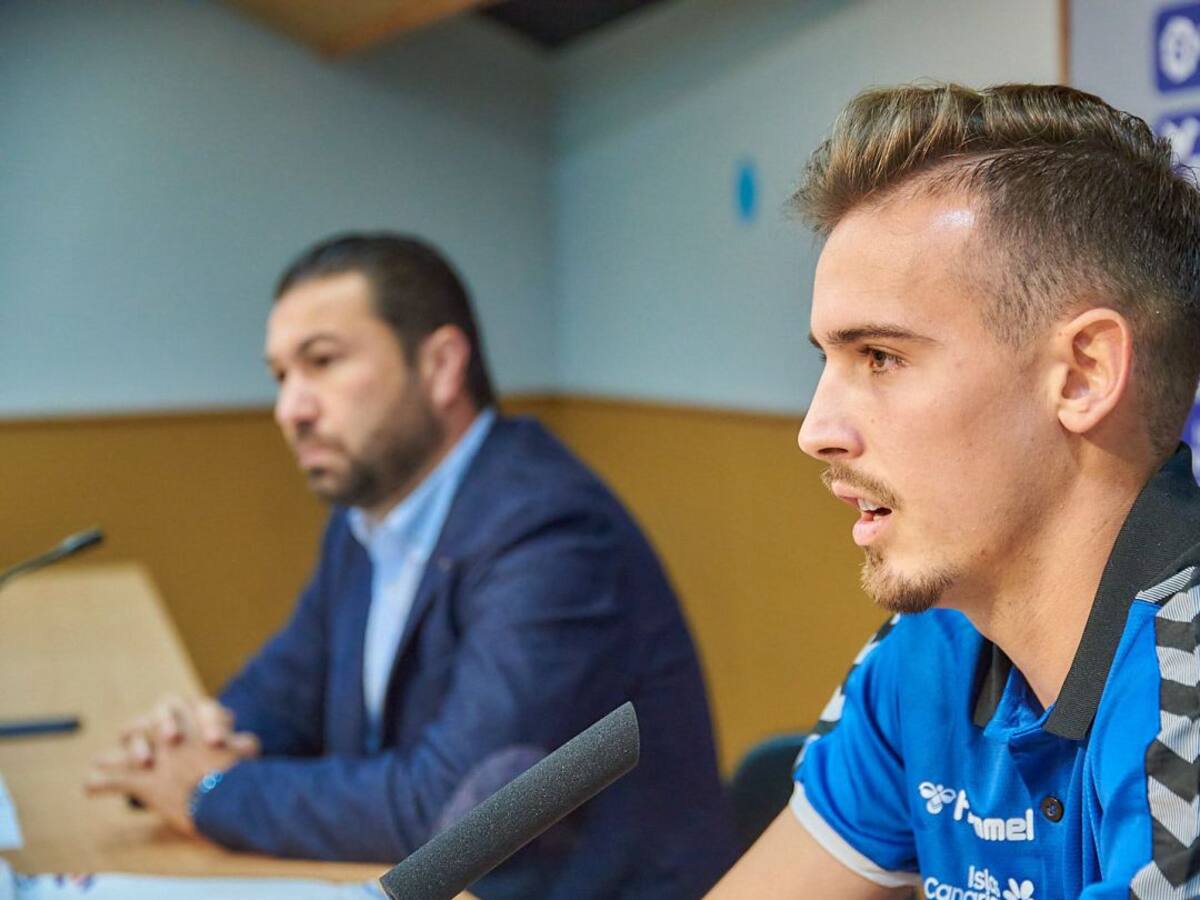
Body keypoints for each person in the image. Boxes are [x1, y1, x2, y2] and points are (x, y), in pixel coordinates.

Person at [85, 234, 734, 898]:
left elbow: (456, 808)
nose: (290, 410)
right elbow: (285, 691)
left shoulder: (550, 531)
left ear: (441, 366)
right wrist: (191, 739)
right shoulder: (367, 516)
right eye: (281, 376)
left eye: (322, 362)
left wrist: (210, 791)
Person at [709, 83, 1200, 898]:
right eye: (828, 361)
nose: (815, 430)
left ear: (1084, 374)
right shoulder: (928, 650)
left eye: (880, 357)